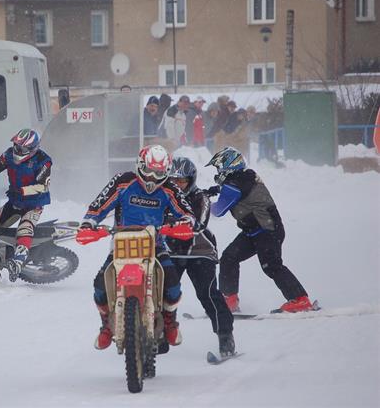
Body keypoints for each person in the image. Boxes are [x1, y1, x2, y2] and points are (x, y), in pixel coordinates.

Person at [79, 145, 195, 352]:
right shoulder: (123, 181)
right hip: (123, 243)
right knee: (99, 285)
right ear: (140, 166)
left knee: (173, 284)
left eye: (158, 173)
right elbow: (98, 206)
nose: (152, 177)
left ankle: (169, 320)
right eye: (148, 171)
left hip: (155, 244)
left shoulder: (170, 188)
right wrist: (89, 223)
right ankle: (106, 323)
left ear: (166, 172)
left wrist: (184, 223)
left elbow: (186, 212)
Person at [205, 147, 314, 313]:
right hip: (253, 231)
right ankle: (229, 300)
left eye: (219, 167)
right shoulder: (242, 178)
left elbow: (218, 210)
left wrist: (200, 203)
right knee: (229, 258)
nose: (218, 171)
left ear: (229, 166)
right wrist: (215, 190)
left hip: (267, 230)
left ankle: (300, 300)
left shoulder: (236, 184)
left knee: (271, 265)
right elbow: (238, 191)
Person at [166, 157, 235, 357]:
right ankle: (159, 336)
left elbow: (200, 224)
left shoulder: (200, 198)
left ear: (191, 180)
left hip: (200, 252)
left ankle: (225, 337)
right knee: (163, 295)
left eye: (182, 181)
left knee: (207, 294)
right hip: (171, 252)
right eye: (173, 181)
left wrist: (172, 223)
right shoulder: (164, 197)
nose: (177, 185)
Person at [0, 128, 52, 282]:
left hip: (34, 203)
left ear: (33, 149)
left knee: (24, 228)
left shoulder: (43, 160)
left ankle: (18, 261)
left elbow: (43, 186)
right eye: (16, 146)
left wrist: (23, 190)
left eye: (22, 148)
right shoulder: (9, 154)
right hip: (15, 201)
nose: (17, 150)